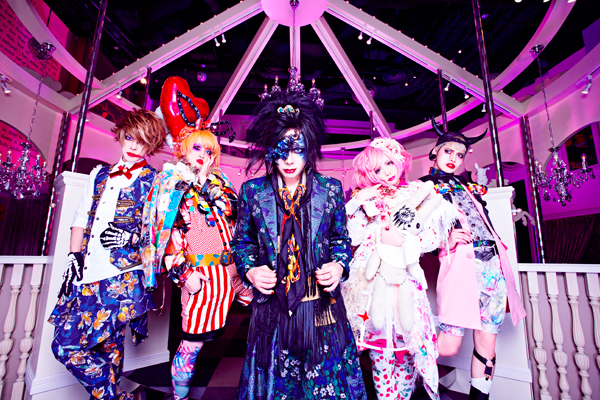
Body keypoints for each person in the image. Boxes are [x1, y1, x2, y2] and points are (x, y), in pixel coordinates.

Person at [231, 93, 367, 400]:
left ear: (310, 149)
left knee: (324, 384)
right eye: (282, 150)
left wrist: (339, 265)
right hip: (272, 308)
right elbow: (242, 242)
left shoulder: (330, 189)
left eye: (298, 150)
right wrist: (250, 270)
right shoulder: (252, 191)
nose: (289, 160)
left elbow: (340, 239)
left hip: (321, 306)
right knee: (277, 386)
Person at [141, 77, 252, 400]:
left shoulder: (221, 183)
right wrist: (183, 274)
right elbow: (164, 234)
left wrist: (209, 185)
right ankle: (180, 397)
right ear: (183, 150)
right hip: (201, 274)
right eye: (198, 148)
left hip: (233, 271)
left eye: (210, 149)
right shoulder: (171, 184)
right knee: (193, 344)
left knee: (266, 316)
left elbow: (238, 216)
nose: (204, 154)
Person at [49, 108, 167, 400]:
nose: (134, 146)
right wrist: (74, 256)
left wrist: (132, 238)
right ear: (121, 134)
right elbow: (80, 217)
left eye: (143, 141)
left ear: (151, 145)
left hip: (123, 278)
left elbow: (162, 235)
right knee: (69, 346)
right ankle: (115, 396)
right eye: (130, 137)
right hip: (88, 273)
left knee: (107, 350)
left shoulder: (156, 181)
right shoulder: (98, 174)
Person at [420, 120, 526, 400]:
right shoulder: (422, 188)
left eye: (460, 154)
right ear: (435, 152)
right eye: (448, 152)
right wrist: (442, 240)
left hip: (493, 267)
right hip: (460, 269)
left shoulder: (470, 188)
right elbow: (410, 231)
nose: (454, 158)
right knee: (449, 346)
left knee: (487, 343)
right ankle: (404, 369)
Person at [342, 138, 456, 400]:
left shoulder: (415, 192)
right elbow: (354, 236)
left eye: (389, 163)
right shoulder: (367, 196)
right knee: (380, 353)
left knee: (407, 350)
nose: (386, 172)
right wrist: (358, 203)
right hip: (371, 280)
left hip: (405, 275)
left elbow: (431, 238)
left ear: (399, 162)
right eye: (378, 169)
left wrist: (403, 239)